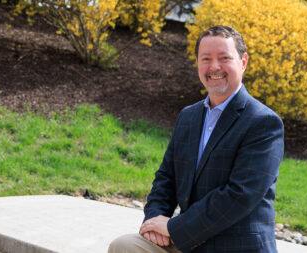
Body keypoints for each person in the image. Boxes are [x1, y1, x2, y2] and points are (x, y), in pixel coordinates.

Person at [109, 25, 284, 253]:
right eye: (206, 59)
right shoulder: (188, 117)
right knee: (124, 246)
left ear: (243, 62)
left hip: (234, 246)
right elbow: (166, 178)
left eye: (224, 58)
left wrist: (174, 227)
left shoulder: (263, 122)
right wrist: (154, 222)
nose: (214, 67)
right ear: (197, 63)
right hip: (187, 243)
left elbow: (239, 196)